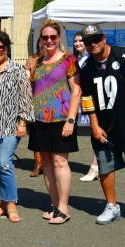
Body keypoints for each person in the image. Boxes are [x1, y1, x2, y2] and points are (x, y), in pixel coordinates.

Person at [28, 20, 81, 224]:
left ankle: (64, 208)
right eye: (45, 37)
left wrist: (71, 120)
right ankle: (54, 204)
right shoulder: (35, 62)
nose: (49, 40)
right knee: (46, 163)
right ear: (40, 40)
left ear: (58, 38)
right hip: (40, 120)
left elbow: (76, 91)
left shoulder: (69, 60)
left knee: (60, 161)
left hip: (61, 119)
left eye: (53, 37)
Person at [0, 30, 34, 223]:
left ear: (6, 48)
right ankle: (0, 202)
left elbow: (26, 98)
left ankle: (11, 203)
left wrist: (23, 122)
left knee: (3, 163)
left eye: (0, 47)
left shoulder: (17, 70)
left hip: (10, 125)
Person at [80, 24, 125, 224]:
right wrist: (94, 125)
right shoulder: (87, 67)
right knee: (105, 166)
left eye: (96, 39)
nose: (93, 44)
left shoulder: (121, 56)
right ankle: (112, 206)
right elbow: (87, 99)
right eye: (88, 41)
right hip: (104, 126)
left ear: (104, 38)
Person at [72, 32, 99, 182]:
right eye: (75, 41)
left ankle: (95, 167)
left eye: (80, 40)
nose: (77, 43)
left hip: (92, 99)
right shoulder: (76, 59)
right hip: (82, 99)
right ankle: (98, 165)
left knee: (96, 131)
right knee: (93, 132)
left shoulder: (91, 59)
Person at [24, 37, 43, 177]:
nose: (45, 43)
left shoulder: (58, 59)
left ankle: (47, 163)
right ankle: (38, 163)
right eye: (41, 41)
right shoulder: (32, 59)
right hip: (34, 101)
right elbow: (26, 80)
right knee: (36, 135)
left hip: (51, 102)